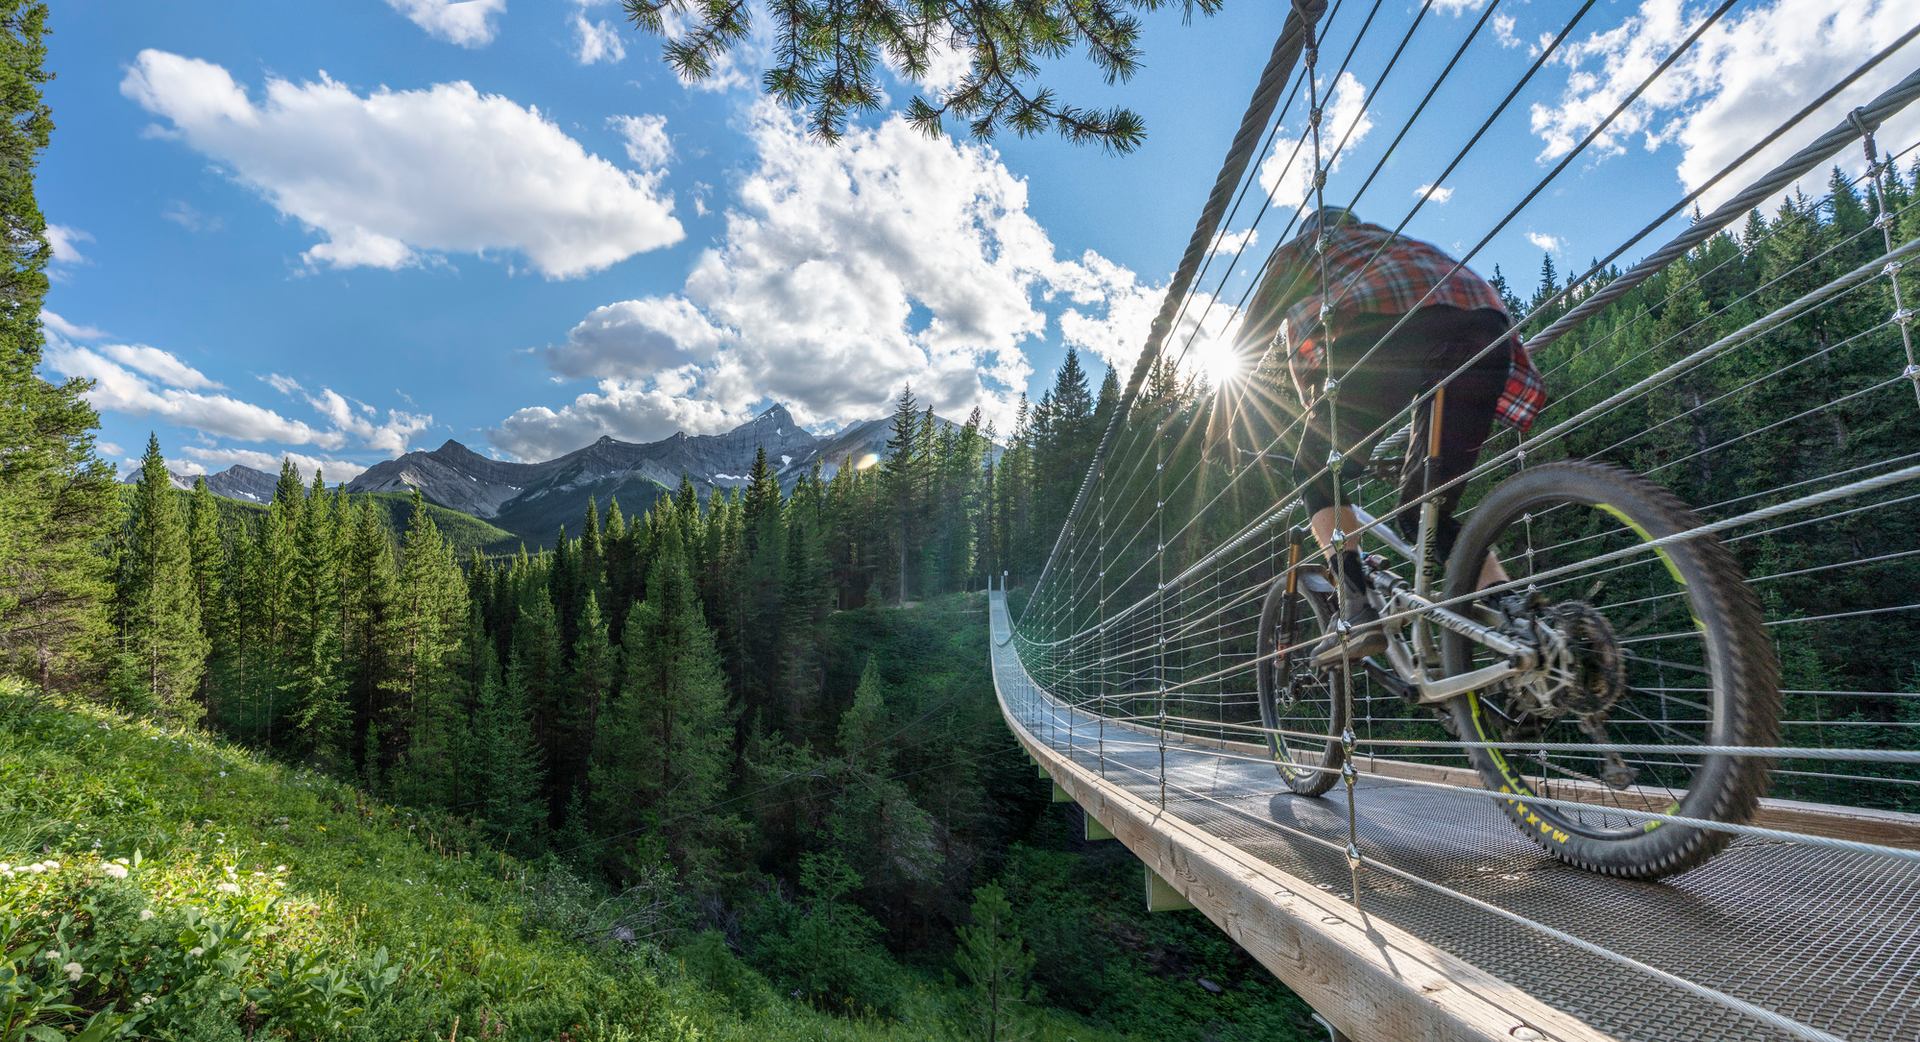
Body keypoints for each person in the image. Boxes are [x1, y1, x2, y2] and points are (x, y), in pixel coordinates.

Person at [1244, 207, 1546, 664]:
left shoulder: (1310, 248)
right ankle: (1516, 613)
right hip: (1485, 328)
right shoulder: (1389, 244)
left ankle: (1356, 610)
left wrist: (1223, 426)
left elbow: (1254, 337)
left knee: (1315, 473)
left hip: (1388, 332)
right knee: (1425, 511)